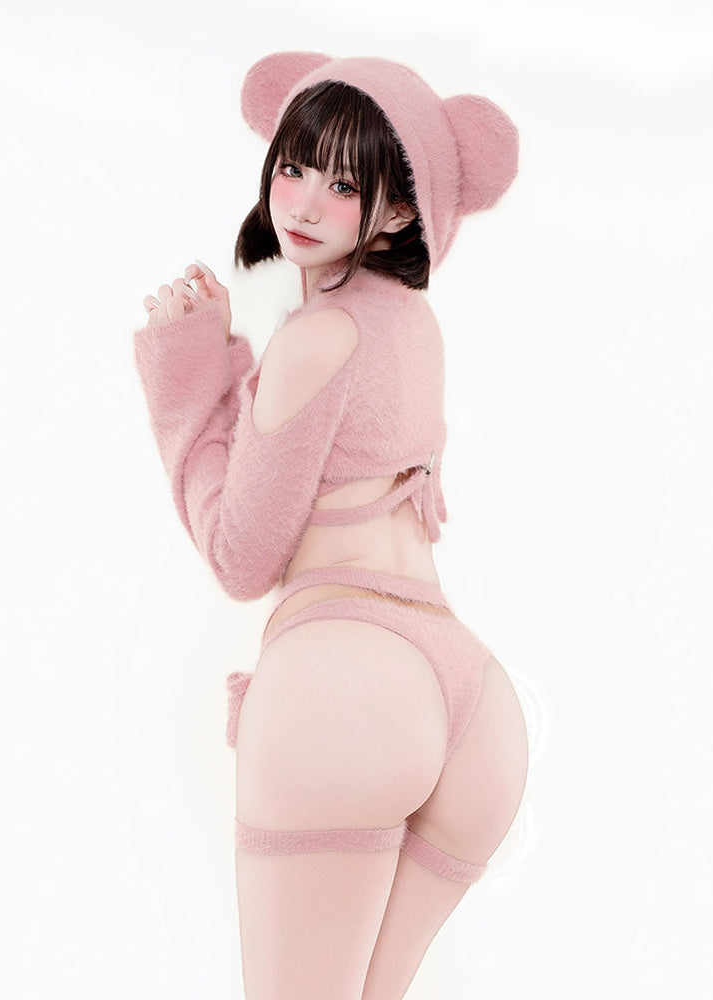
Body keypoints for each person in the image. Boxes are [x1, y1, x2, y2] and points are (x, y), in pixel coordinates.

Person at [134, 52, 529, 1000]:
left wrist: (188, 376)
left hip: (346, 684)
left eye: (345, 185)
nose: (305, 202)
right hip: (475, 707)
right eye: (294, 167)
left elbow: (242, 555)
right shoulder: (415, 328)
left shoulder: (316, 338)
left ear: (398, 214)